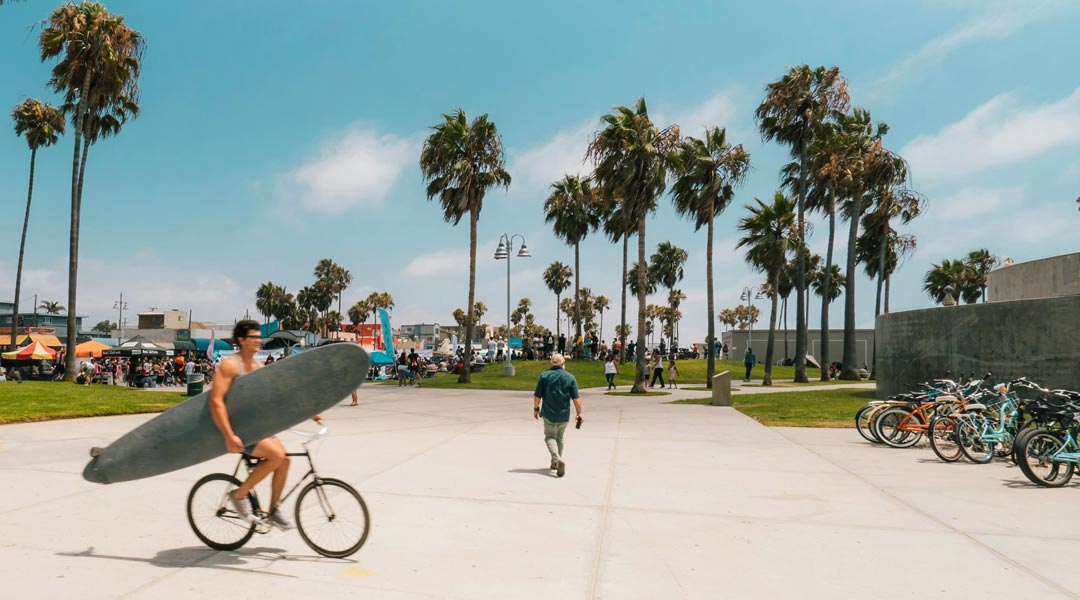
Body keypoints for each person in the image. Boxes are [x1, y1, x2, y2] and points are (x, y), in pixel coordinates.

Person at [209, 319, 322, 529]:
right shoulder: (230, 365)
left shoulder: (259, 366)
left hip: (258, 428)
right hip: (240, 430)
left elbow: (279, 396)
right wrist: (228, 435)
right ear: (242, 340)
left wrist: (309, 412)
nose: (259, 340)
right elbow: (216, 401)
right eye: (254, 337)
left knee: (285, 461)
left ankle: (273, 511)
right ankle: (239, 494)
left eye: (260, 336)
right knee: (277, 456)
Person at [533, 353, 581, 478]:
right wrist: (579, 413)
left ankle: (556, 459)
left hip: (549, 414)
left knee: (550, 437)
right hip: (564, 415)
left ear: (551, 363)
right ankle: (555, 464)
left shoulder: (544, 376)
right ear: (563, 363)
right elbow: (576, 398)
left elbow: (537, 396)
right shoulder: (570, 377)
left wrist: (536, 409)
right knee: (559, 437)